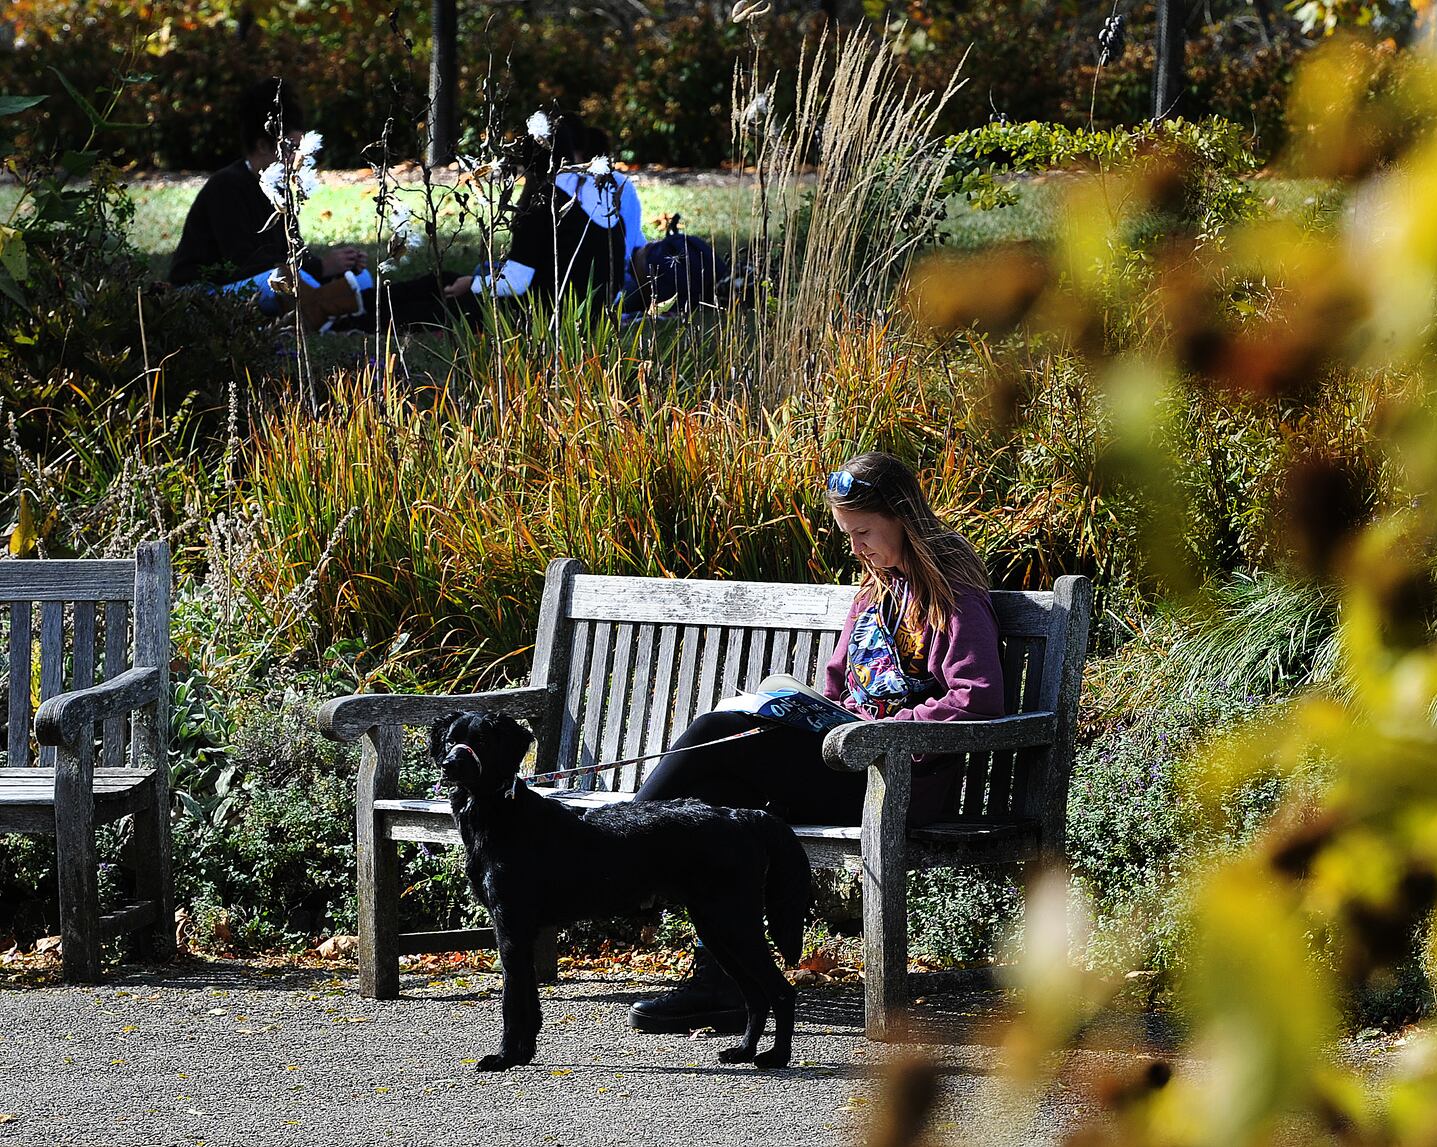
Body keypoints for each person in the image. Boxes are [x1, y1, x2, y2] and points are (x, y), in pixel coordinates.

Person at [626, 451, 1006, 1034]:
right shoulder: (873, 592)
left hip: (900, 778)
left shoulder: (953, 592)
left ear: (903, 518)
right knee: (724, 800)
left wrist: (880, 731)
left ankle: (623, 853)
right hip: (844, 759)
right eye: (847, 534)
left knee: (713, 736)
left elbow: (976, 699)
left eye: (863, 533)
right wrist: (809, 712)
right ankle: (724, 979)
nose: (855, 548)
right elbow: (838, 687)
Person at [349, 113, 630, 332]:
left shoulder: (545, 201)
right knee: (446, 281)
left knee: (445, 302)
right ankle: (359, 301)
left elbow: (517, 281)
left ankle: (350, 318)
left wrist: (472, 283)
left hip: (546, 315)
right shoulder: (598, 192)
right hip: (592, 312)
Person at [168, 78, 370, 325]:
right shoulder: (226, 185)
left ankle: (326, 308)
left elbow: (290, 251)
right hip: (207, 290)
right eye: (290, 149)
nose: (297, 158)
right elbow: (244, 262)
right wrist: (321, 268)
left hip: (264, 278)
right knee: (277, 280)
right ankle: (329, 310)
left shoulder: (280, 188)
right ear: (263, 146)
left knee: (363, 279)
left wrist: (337, 266)